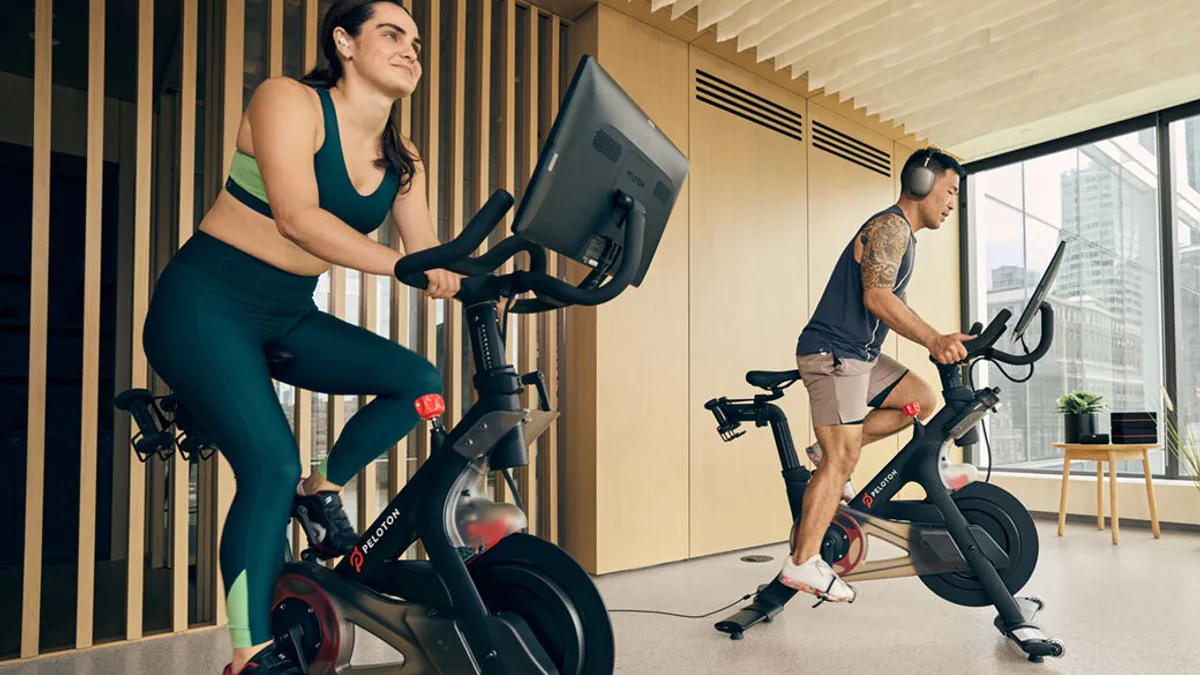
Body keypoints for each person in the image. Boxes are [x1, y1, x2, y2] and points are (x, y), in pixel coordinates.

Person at [140, 2, 460, 673]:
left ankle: (323, 488)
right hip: (205, 304)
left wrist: (474, 274)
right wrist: (410, 268)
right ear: (344, 42)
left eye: (417, 42)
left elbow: (425, 248)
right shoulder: (289, 100)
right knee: (268, 464)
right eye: (392, 34)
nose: (411, 50)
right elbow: (297, 218)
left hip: (286, 312)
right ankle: (249, 653)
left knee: (419, 382)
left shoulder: (404, 159)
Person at [777, 148, 969, 603]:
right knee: (841, 459)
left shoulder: (905, 235)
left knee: (920, 400)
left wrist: (943, 340)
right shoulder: (890, 226)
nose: (951, 203)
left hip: (860, 354)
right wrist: (935, 340)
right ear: (923, 181)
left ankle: (824, 452)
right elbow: (877, 297)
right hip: (834, 352)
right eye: (950, 190)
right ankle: (802, 562)